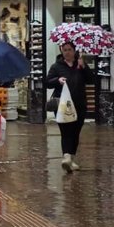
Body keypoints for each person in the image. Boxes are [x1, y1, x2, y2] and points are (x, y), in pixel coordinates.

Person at [45, 41, 95, 173]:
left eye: (69, 49)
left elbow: (92, 80)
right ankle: (66, 157)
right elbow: (47, 83)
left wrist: (83, 67)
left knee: (75, 132)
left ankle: (71, 158)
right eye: (64, 50)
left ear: (74, 51)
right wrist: (57, 80)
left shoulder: (80, 65)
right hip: (62, 105)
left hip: (79, 104)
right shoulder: (56, 66)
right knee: (66, 131)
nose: (66, 52)